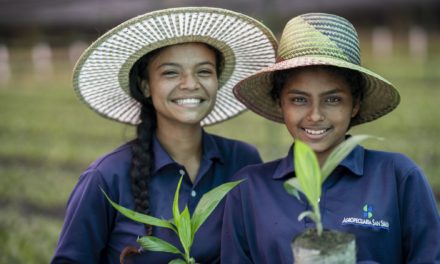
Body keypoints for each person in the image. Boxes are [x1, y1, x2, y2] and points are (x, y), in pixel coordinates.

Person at [51, 7, 277, 264]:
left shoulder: (242, 160)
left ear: (217, 80)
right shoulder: (105, 178)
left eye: (204, 71)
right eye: (171, 72)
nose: (190, 84)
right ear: (146, 86)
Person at [221, 13, 440, 263]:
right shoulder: (249, 188)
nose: (315, 115)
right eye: (299, 100)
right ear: (280, 104)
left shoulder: (397, 176)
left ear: (355, 104)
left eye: (333, 99)